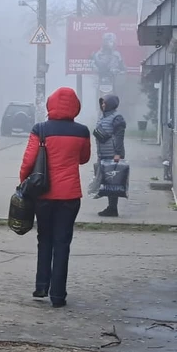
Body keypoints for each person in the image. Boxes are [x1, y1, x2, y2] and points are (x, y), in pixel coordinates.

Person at [19, 87, 91, 308]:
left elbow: (28, 162)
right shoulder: (82, 131)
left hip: (44, 194)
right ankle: (58, 296)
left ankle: (41, 285)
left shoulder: (40, 129)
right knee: (62, 243)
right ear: (75, 106)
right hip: (70, 196)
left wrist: (23, 183)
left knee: (45, 239)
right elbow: (84, 159)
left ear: (50, 104)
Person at [94, 94, 126, 217]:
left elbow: (119, 137)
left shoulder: (117, 118)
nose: (102, 105)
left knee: (113, 182)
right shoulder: (102, 117)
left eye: (105, 103)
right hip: (103, 154)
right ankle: (110, 207)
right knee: (107, 181)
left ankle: (113, 208)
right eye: (101, 103)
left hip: (112, 154)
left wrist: (118, 154)